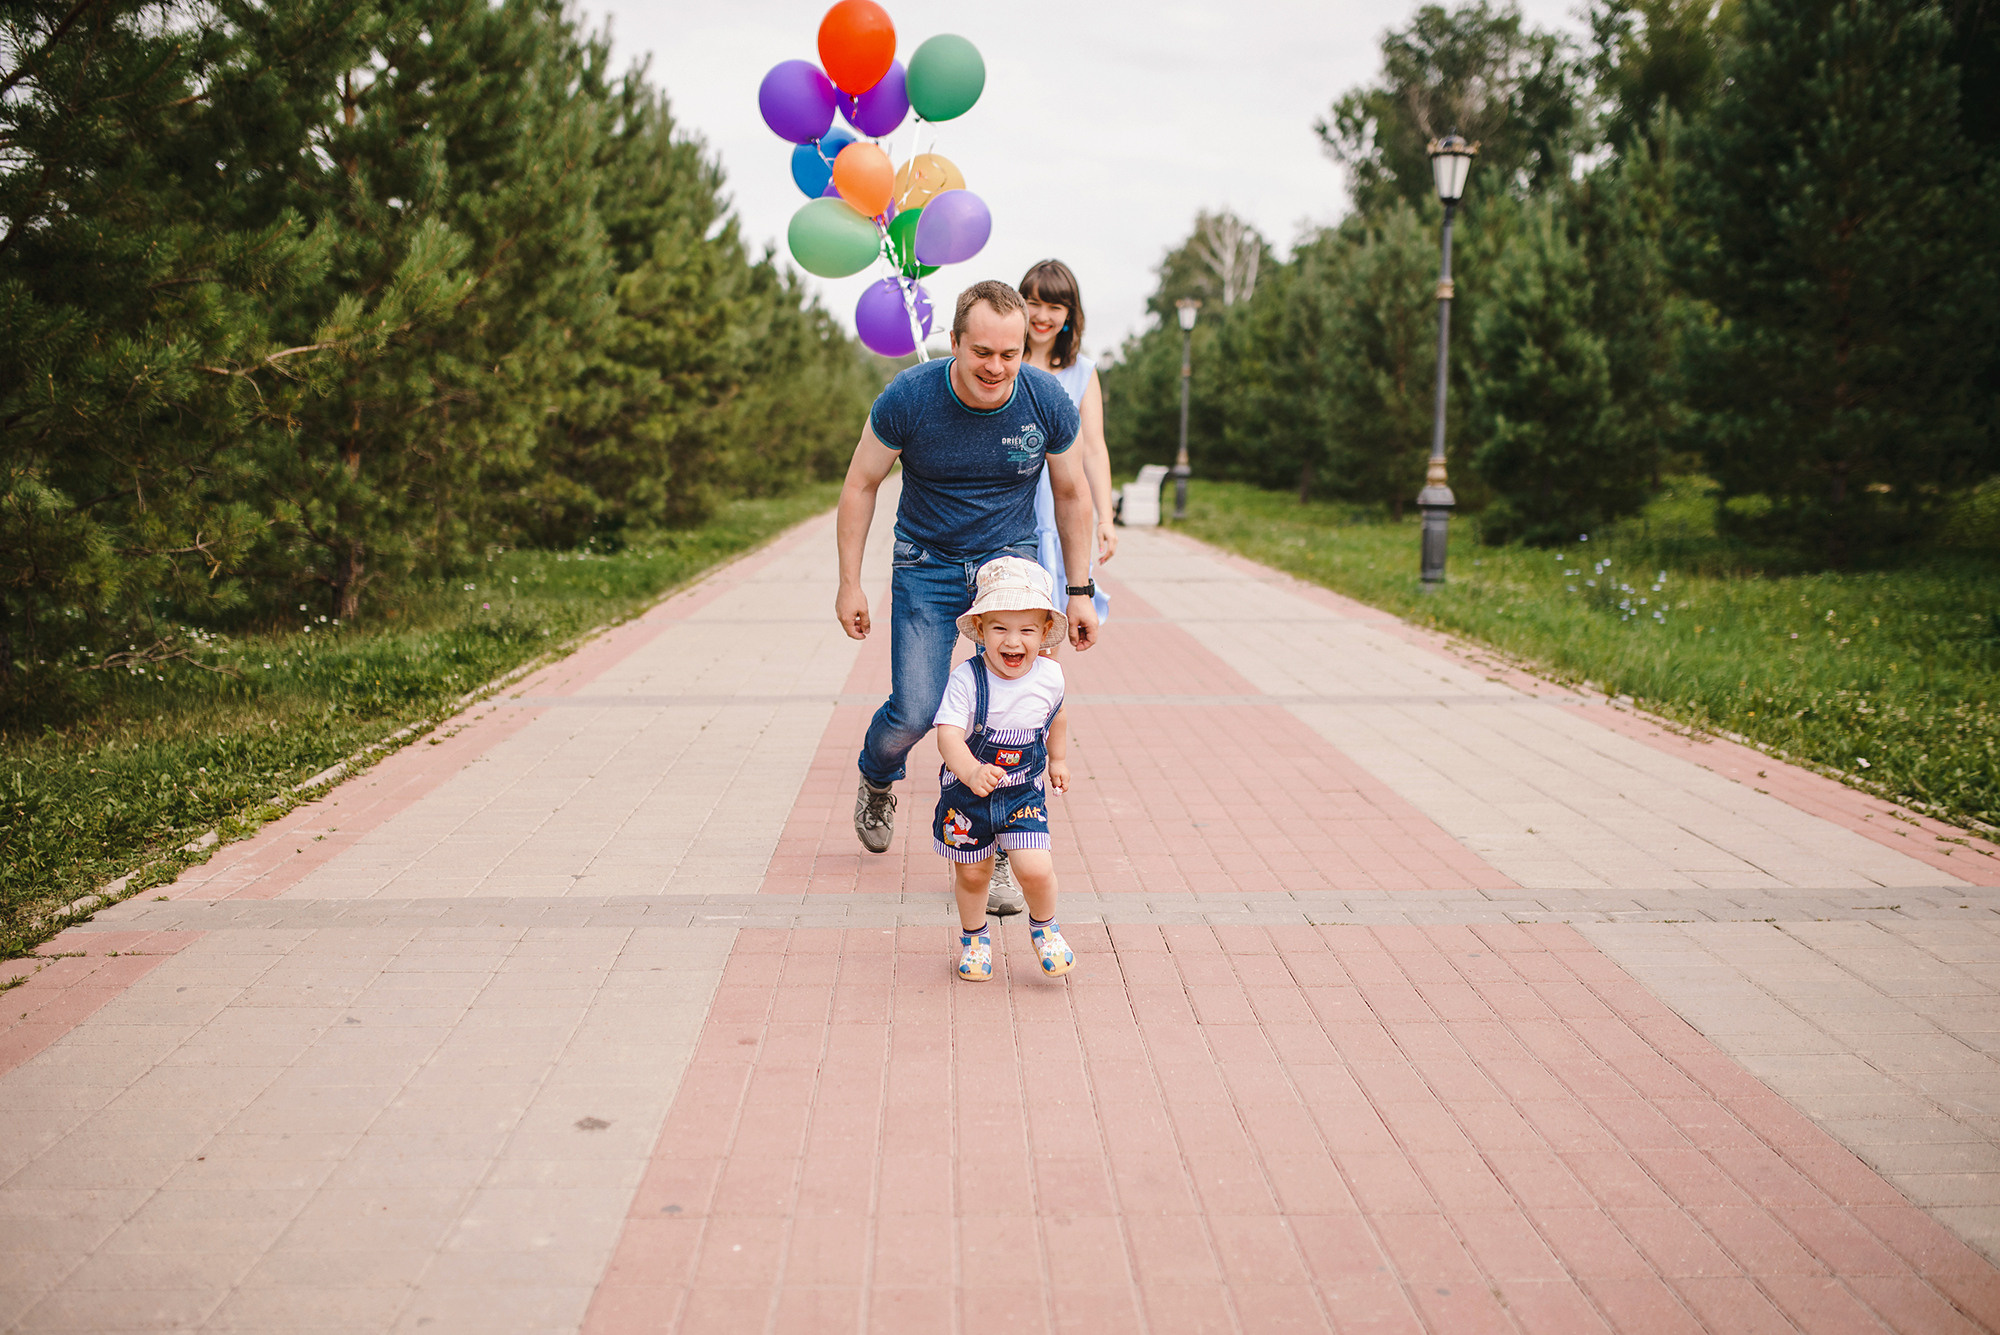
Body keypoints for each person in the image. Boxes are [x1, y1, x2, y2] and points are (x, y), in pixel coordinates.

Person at [836, 280, 1101, 859]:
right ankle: (877, 776)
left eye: (1009, 354)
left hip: (1009, 567)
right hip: (925, 561)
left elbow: (1072, 494)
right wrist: (850, 582)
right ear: (955, 341)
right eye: (981, 352)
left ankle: (1002, 845)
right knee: (916, 712)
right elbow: (860, 483)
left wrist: (1078, 591)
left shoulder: (1045, 400)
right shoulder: (910, 397)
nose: (996, 367)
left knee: (1013, 709)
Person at [985, 259, 1118, 916]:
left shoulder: (1081, 373)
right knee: (996, 673)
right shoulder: (1000, 368)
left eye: (1055, 305)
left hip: (1057, 528)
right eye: (1034, 302)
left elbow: (1091, 448)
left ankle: (1014, 829)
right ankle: (991, 807)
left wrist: (1106, 517)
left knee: (1035, 681)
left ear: (1069, 313)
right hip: (1003, 530)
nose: (1043, 315)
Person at [931, 557, 1074, 981]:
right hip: (967, 797)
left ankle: (1045, 928)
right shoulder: (967, 679)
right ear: (981, 631)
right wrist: (970, 770)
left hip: (1022, 792)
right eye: (1000, 629)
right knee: (973, 876)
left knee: (1034, 867)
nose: (1013, 642)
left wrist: (1059, 758)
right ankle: (975, 940)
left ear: (1045, 632)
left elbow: (1058, 715)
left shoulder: (1051, 677)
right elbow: (948, 735)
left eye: (1026, 630)